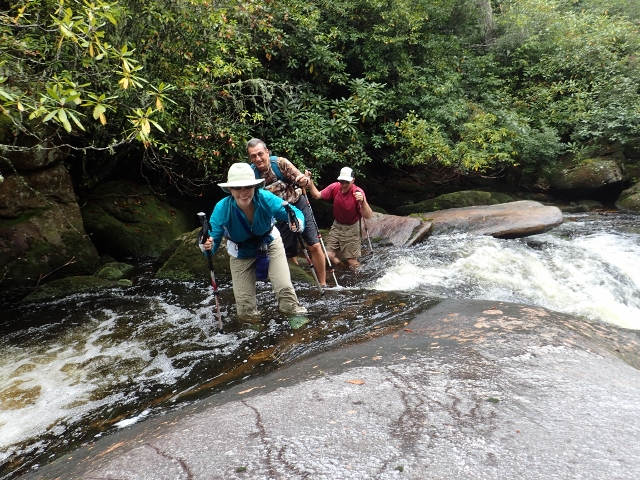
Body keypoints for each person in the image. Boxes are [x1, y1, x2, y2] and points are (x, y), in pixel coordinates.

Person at [202, 162, 308, 317]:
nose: (244, 192)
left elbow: (294, 213)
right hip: (240, 252)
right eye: (238, 188)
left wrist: (297, 223)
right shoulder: (222, 208)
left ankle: (295, 318)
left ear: (255, 187)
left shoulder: (265, 198)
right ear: (230, 190)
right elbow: (212, 241)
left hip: (270, 243)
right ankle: (251, 328)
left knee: (285, 288)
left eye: (248, 187)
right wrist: (207, 245)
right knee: (245, 305)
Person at [246, 138, 327, 286]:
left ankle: (323, 284)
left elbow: (302, 180)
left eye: (260, 154)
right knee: (286, 252)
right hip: (277, 213)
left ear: (267, 152)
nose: (258, 159)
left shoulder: (280, 164)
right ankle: (298, 280)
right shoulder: (250, 174)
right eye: (253, 156)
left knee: (314, 245)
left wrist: (304, 180)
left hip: (297, 204)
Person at [306, 166, 373, 270]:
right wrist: (310, 182)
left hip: (352, 227)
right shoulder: (335, 187)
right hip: (337, 225)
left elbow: (368, 216)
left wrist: (363, 201)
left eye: (347, 182)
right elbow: (317, 195)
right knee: (329, 255)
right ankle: (341, 265)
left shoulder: (358, 193)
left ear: (353, 180)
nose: (344, 184)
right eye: (342, 181)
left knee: (351, 260)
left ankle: (361, 275)